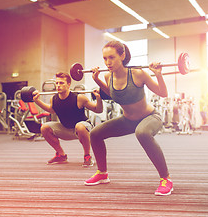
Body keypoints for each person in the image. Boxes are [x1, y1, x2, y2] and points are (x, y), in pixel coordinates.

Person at [85, 40, 173, 196]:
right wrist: (97, 80)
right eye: (105, 58)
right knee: (95, 133)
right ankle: (102, 173)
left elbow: (163, 93)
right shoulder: (108, 76)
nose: (108, 62)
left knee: (142, 133)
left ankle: (166, 179)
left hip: (150, 117)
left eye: (111, 57)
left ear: (122, 55)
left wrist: (159, 75)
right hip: (127, 120)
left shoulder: (138, 74)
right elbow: (114, 95)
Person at [32, 72, 103, 167]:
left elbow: (98, 110)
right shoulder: (54, 99)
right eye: (57, 83)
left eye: (61, 83)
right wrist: (37, 100)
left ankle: (87, 156)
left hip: (83, 129)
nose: (58, 86)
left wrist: (98, 98)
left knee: (80, 126)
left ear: (69, 85)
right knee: (44, 127)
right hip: (66, 129)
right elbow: (51, 110)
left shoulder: (79, 98)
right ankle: (61, 155)